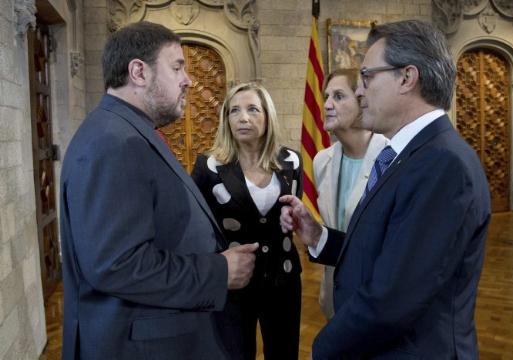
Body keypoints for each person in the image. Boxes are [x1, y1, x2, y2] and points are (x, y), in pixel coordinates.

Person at [280, 20, 491, 359]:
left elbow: (394, 295)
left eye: (367, 76)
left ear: (406, 78)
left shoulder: (443, 164)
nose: (360, 91)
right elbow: (382, 253)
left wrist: (323, 348)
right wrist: (320, 236)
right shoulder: (410, 154)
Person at [60, 21, 258, 360]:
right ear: (139, 72)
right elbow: (117, 264)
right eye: (177, 66)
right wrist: (218, 272)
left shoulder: (125, 130)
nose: (188, 79)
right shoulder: (114, 142)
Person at [191, 82, 303, 360]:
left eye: (253, 109)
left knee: (284, 353)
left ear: (268, 116)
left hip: (283, 278)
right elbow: (197, 225)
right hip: (233, 282)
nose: (243, 118)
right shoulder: (208, 166)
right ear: (225, 119)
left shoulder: (291, 161)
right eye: (234, 111)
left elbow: (291, 211)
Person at [315, 68, 387, 320]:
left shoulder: (390, 157)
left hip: (376, 298)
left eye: (338, 96)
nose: (327, 105)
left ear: (361, 101)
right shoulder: (321, 161)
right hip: (334, 294)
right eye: (326, 97)